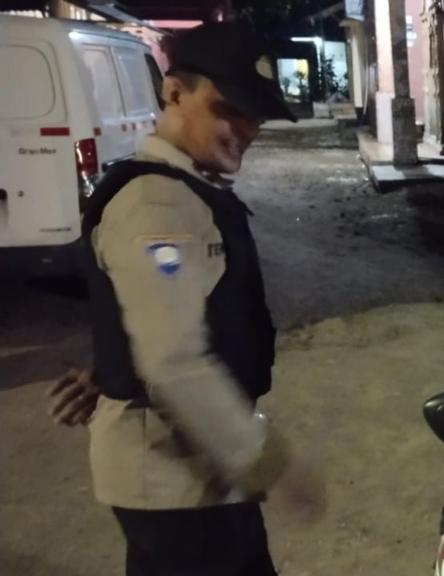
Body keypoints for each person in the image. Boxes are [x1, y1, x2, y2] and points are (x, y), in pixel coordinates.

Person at [51, 22, 324, 576]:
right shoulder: (158, 206)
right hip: (177, 486)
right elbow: (174, 361)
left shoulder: (185, 189)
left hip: (192, 480)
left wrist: (112, 366)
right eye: (228, 109)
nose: (246, 129)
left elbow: (165, 316)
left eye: (255, 115)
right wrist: (270, 462)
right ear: (173, 92)